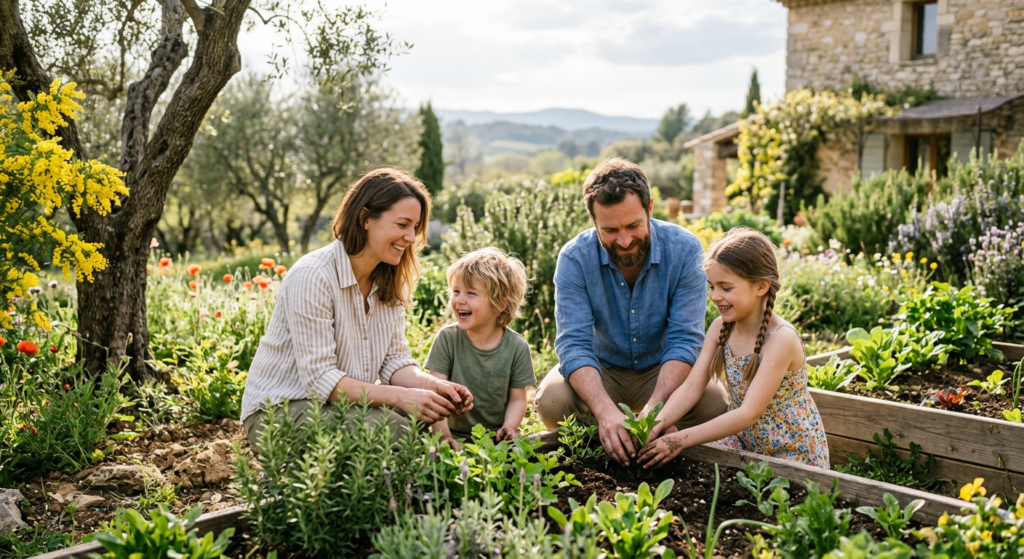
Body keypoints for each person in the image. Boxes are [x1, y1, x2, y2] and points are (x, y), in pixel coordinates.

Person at [240, 168, 473, 444]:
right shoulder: (313, 275)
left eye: (415, 227)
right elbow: (320, 380)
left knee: (425, 425)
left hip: (336, 407)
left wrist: (435, 388)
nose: (411, 237)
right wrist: (402, 397)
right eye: (402, 225)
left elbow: (394, 361)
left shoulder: (389, 280)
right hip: (280, 410)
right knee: (397, 432)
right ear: (365, 218)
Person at [535, 157, 728, 466]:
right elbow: (574, 346)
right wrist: (604, 411)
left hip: (662, 369)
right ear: (592, 219)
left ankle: (664, 437)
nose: (624, 241)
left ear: (649, 208)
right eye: (610, 229)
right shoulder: (574, 259)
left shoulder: (685, 250)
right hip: (603, 368)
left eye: (633, 225)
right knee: (552, 401)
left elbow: (684, 341)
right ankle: (608, 437)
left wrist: (658, 412)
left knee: (714, 402)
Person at [638, 228, 830, 469]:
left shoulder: (781, 339)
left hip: (791, 452)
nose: (716, 296)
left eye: (726, 288)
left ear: (761, 286)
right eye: (712, 287)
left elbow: (748, 413)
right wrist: (653, 424)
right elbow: (691, 387)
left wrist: (679, 440)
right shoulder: (721, 327)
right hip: (744, 442)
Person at [425, 247, 535, 449]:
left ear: (501, 304)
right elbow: (436, 393)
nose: (459, 300)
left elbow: (518, 399)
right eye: (456, 291)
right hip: (452, 434)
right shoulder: (447, 339)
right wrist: (443, 436)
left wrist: (509, 427)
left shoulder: (516, 347)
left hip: (495, 440)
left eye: (471, 293)